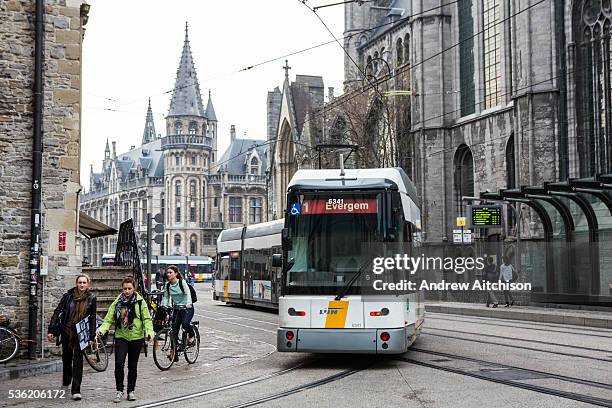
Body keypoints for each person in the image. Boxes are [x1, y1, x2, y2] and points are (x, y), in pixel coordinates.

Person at [98, 276, 154, 403]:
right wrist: (101, 330)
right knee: (119, 364)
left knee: (132, 366)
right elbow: (108, 319)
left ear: (134, 288)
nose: (127, 291)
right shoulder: (118, 302)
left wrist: (149, 332)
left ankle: (131, 390)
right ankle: (119, 390)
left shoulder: (140, 302)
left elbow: (146, 319)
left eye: (129, 288)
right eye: (125, 289)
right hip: (121, 336)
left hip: (136, 337)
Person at [47, 274, 97, 401]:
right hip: (67, 331)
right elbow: (58, 312)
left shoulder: (91, 298)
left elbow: (92, 319)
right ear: (76, 283)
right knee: (67, 358)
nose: (81, 285)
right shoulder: (68, 296)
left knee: (78, 361)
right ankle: (66, 381)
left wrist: (91, 336)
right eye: (80, 282)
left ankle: (76, 390)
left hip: (81, 333)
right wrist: (52, 330)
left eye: (84, 282)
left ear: (88, 285)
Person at [162, 265, 195, 361]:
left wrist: (188, 303)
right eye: (167, 273)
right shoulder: (168, 285)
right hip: (177, 309)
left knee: (185, 324)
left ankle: (192, 334)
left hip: (187, 308)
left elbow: (188, 293)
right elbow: (166, 297)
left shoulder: (182, 282)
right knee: (174, 330)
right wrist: (164, 305)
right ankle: (174, 354)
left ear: (176, 274)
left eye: (170, 272)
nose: (168, 274)